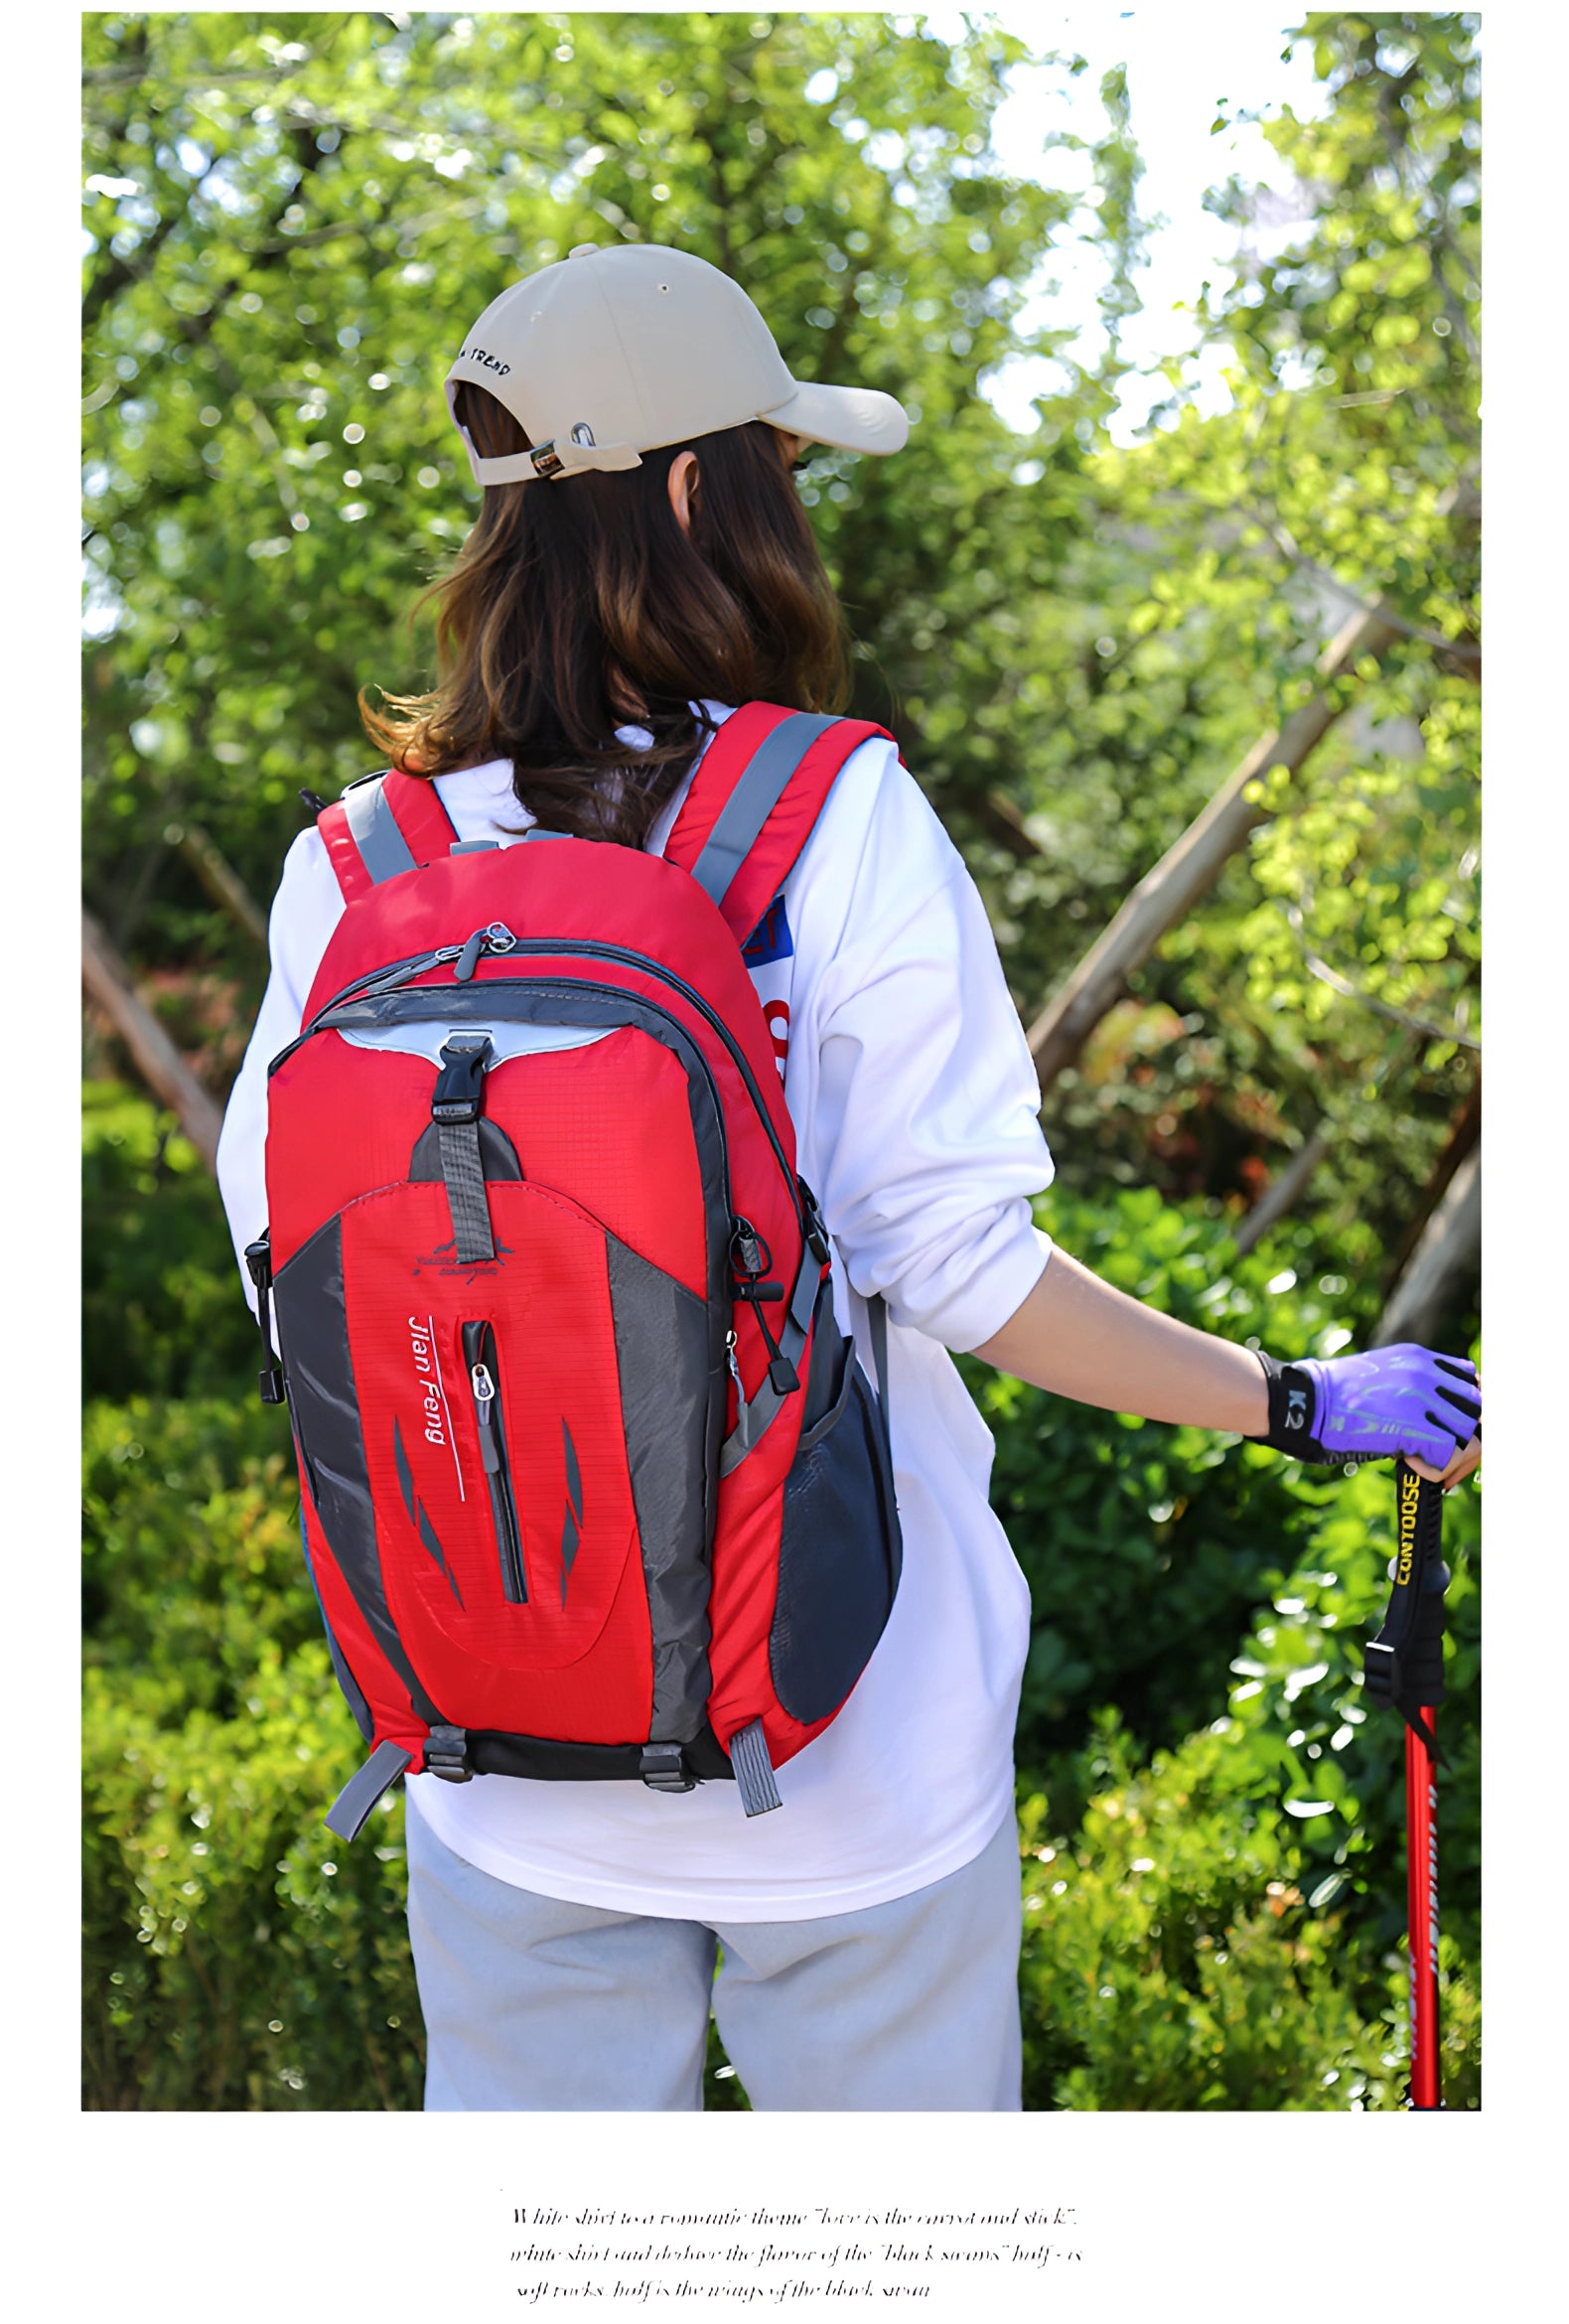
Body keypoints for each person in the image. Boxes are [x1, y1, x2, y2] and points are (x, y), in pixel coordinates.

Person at [215, 240, 1481, 2113]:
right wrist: (1296, 1400)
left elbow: (285, 1261)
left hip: (490, 1733)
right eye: (785, 470)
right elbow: (969, 1273)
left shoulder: (359, 868)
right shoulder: (835, 817)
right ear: (705, 494)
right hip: (845, 1732)